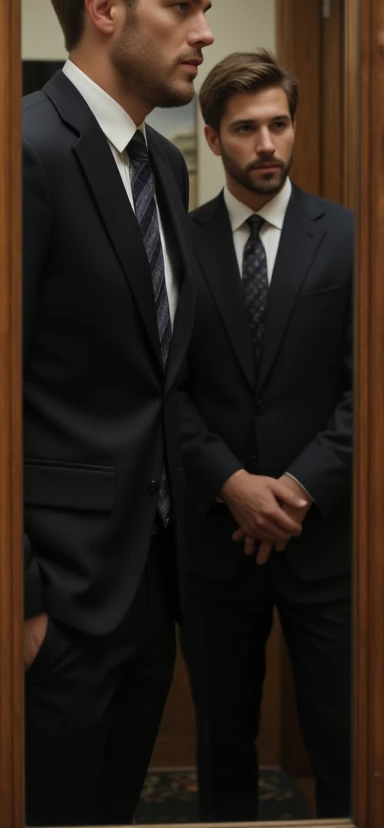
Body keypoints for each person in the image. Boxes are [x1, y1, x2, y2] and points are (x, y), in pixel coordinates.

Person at [22, 0, 222, 828]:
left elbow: (154, 376)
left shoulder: (164, 168)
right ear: (105, 9)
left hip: (151, 587)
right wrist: (22, 603)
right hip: (55, 600)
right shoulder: (25, 149)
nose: (205, 33)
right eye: (181, 7)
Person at [179, 49, 353, 820]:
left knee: (346, 742)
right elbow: (164, 392)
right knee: (224, 752)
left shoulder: (349, 238)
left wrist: (299, 487)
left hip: (325, 542)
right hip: (215, 541)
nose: (267, 144)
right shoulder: (176, 247)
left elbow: (368, 389)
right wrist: (231, 482)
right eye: (246, 129)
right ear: (213, 139)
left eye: (279, 124)